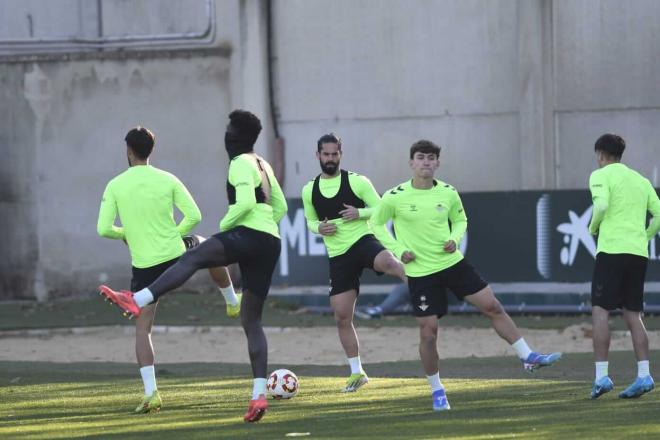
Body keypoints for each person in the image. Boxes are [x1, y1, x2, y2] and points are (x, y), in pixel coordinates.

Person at [99, 110, 287, 423]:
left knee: (197, 254)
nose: (225, 135)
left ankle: (139, 299)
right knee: (250, 319)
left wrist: (228, 230)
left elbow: (243, 205)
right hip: (270, 240)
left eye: (228, 130)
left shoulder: (240, 162)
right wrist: (265, 229)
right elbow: (277, 206)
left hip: (241, 235)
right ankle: (258, 396)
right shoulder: (262, 163)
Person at [370, 139, 561, 411]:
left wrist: (454, 238)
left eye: (431, 157)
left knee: (492, 306)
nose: (426, 162)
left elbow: (460, 220)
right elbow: (376, 223)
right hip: (421, 272)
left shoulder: (448, 192)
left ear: (438, 163)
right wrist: (398, 249)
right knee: (428, 333)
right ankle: (437, 391)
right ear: (411, 162)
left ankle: (527, 355)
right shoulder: (394, 196)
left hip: (452, 263)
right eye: (421, 157)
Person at [97, 126, 241, 414]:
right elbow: (195, 216)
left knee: (143, 330)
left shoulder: (115, 185)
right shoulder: (167, 178)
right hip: (177, 255)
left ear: (128, 151)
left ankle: (151, 394)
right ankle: (232, 301)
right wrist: (173, 234)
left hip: (145, 267)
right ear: (151, 150)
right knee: (209, 246)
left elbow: (102, 229)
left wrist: (125, 233)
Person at [301, 133, 407, 392]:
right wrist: (319, 228)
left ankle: (425, 285)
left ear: (341, 154)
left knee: (388, 263)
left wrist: (358, 213)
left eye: (334, 154)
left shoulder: (358, 182)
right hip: (338, 255)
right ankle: (357, 372)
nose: (330, 158)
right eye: (325, 154)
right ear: (317, 156)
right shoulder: (309, 189)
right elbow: (310, 221)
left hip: (362, 240)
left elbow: (382, 209)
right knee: (341, 316)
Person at [587, 133, 660, 399]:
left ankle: (602, 377)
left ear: (600, 155)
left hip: (612, 250)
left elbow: (602, 205)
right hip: (638, 253)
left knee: (600, 310)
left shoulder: (601, 175)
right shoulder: (640, 180)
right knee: (633, 315)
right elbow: (659, 214)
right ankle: (643, 375)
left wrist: (593, 227)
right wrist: (646, 236)